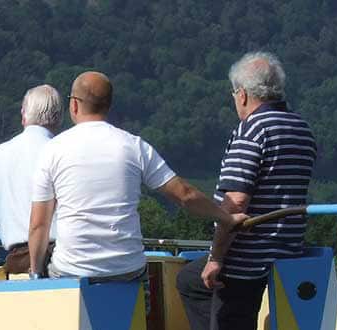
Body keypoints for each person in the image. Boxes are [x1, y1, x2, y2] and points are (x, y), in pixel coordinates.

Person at [179, 52, 319, 330]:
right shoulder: (302, 129)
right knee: (189, 282)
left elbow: (234, 204)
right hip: (289, 254)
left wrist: (215, 258)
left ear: (242, 94)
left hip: (247, 260)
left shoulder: (250, 131)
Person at [27, 71, 243, 282]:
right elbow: (185, 195)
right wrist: (227, 218)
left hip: (72, 270)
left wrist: (36, 272)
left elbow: (39, 224)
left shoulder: (51, 150)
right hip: (126, 268)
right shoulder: (134, 146)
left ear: (74, 105)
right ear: (109, 106)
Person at [0, 84, 63, 274]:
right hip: (61, 258)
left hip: (19, 262)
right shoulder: (62, 153)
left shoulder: (0, 154)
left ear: (24, 115)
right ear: (58, 118)